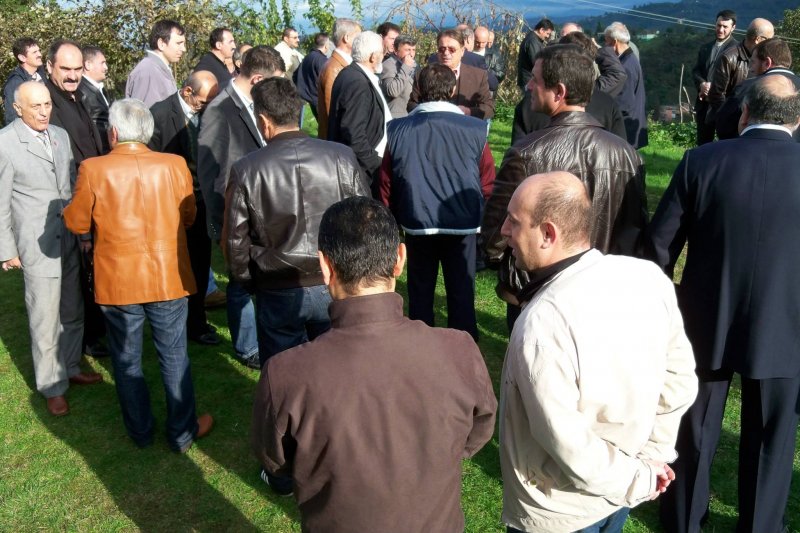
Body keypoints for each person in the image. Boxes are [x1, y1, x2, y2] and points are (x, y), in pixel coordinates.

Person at [251, 195, 497, 531]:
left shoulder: (284, 374)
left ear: (325, 267)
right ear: (400, 259)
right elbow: (478, 430)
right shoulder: (459, 350)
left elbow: (276, 461)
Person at [499, 171, 697, 532]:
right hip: (622, 492)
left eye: (513, 221)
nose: (503, 231)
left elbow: (566, 440)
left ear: (548, 234)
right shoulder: (647, 278)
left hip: (558, 511)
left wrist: (639, 477)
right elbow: (680, 380)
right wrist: (648, 462)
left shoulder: (542, 323)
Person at [649, 75, 800, 533]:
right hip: (786, 326)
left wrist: (667, 308)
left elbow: (659, 248)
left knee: (694, 429)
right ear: (796, 120)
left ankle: (683, 522)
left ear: (744, 113)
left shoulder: (702, 161)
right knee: (771, 439)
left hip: (704, 321)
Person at [224, 77, 368, 493]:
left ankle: (285, 470)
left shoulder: (249, 168)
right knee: (338, 375)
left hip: (281, 286)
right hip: (333, 281)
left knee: (284, 383)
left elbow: (234, 242)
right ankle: (337, 456)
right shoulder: (339, 156)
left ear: (263, 121)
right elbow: (364, 217)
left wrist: (247, 280)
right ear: (299, 113)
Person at [63, 98, 212, 452]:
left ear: (113, 133)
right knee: (173, 355)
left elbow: (77, 222)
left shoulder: (93, 169)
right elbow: (189, 215)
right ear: (146, 132)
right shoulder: (174, 164)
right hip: (168, 276)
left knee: (127, 358)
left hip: (119, 280)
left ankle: (141, 431)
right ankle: (182, 432)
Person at [482, 44, 647, 331]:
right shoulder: (627, 155)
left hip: (537, 289)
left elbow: (497, 227)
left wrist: (497, 259)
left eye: (535, 80)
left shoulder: (526, 153)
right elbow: (635, 231)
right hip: (603, 290)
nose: (528, 86)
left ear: (559, 92)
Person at [0, 81, 100, 417]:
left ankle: (70, 366)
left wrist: (82, 232)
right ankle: (52, 386)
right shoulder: (5, 143)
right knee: (44, 318)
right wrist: (7, 250)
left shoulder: (59, 135)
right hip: (36, 246)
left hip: (69, 238)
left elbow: (71, 186)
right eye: (36, 106)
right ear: (17, 109)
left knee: (72, 309)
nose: (44, 112)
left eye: (47, 105)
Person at [379, 63, 495, 340]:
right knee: (461, 290)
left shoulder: (398, 129)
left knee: (420, 291)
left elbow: (386, 182)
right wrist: (484, 215)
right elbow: (488, 179)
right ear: (453, 90)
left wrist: (391, 218)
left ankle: (423, 345)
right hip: (462, 222)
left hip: (417, 220)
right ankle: (463, 345)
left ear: (419, 88)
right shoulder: (475, 128)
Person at [197, 45, 285, 369]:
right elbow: (211, 176)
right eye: (273, 82)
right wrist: (225, 226)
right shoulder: (219, 111)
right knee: (240, 282)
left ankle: (264, 333)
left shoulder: (251, 104)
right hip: (236, 216)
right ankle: (247, 347)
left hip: (261, 213)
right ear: (258, 79)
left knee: (258, 278)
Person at [44, 40, 108, 358]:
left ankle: (93, 332)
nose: (72, 75)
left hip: (90, 198)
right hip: (67, 204)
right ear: (49, 67)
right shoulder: (47, 103)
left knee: (90, 271)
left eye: (77, 69)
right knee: (75, 279)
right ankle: (83, 340)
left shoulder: (79, 95)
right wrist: (80, 220)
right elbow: (61, 166)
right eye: (65, 69)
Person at [149, 71, 220, 346]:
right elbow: (152, 162)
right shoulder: (159, 114)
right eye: (203, 102)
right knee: (176, 267)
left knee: (201, 264)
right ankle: (176, 324)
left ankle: (197, 323)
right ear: (187, 91)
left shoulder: (209, 112)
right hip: (172, 206)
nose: (207, 106)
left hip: (201, 202)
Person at [512, 31, 626, 143]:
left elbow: (518, 150)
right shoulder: (608, 104)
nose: (529, 86)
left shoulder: (530, 104)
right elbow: (620, 148)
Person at [327, 31, 390, 192]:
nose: (383, 56)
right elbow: (353, 133)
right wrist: (376, 165)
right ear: (373, 57)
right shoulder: (357, 81)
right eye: (382, 52)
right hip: (362, 173)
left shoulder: (352, 73)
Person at [715, 38, 800, 140]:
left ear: (767, 63)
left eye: (753, 62)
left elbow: (724, 124)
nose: (750, 68)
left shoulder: (747, 87)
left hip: (747, 147)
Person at [408, 29, 494, 119]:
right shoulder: (422, 75)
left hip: (463, 125)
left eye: (452, 49)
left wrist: (468, 111)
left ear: (462, 51)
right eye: (442, 49)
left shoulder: (478, 76)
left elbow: (489, 108)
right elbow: (412, 105)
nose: (446, 53)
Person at [706, 18, 774, 125]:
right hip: (730, 124)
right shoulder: (728, 57)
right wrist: (734, 120)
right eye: (768, 40)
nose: (770, 44)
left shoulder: (764, 60)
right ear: (758, 39)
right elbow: (717, 96)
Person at [691, 10, 737, 145]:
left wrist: (715, 87)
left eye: (725, 27)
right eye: (718, 25)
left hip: (725, 105)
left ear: (733, 28)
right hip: (704, 105)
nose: (720, 30)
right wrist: (702, 84)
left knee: (725, 144)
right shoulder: (705, 48)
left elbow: (738, 78)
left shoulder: (737, 50)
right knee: (703, 143)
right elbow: (696, 71)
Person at [316, 18, 361, 139]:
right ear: (346, 38)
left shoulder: (340, 65)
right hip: (337, 142)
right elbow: (332, 112)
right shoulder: (334, 68)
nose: (360, 41)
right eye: (358, 36)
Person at [605, 22, 648, 148]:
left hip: (626, 127)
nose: (605, 46)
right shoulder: (630, 58)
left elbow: (625, 101)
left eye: (607, 42)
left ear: (615, 42)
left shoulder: (626, 66)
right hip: (631, 124)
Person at [125, 19, 186, 106]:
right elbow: (144, 112)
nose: (183, 49)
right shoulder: (148, 71)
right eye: (178, 43)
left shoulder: (157, 69)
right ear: (161, 43)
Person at [3, 37, 45, 125]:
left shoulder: (41, 73)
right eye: (34, 52)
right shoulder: (15, 83)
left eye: (39, 51)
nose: (40, 54)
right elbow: (12, 118)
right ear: (22, 58)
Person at [79, 45, 112, 153]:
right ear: (88, 65)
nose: (106, 67)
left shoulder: (101, 90)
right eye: (102, 63)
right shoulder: (81, 91)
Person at [379, 34, 416, 118]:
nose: (411, 54)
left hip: (412, 116)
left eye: (413, 50)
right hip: (396, 118)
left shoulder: (415, 65)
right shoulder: (388, 65)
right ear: (396, 50)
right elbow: (393, 91)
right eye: (407, 50)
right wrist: (406, 67)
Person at [295, 32, 330, 119]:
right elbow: (327, 81)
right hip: (319, 100)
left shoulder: (307, 57)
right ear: (326, 46)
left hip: (310, 98)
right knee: (326, 124)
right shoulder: (322, 60)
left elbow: (295, 75)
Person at [517, 18, 554, 89]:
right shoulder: (533, 42)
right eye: (547, 33)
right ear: (541, 30)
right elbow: (537, 62)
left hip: (528, 79)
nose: (548, 36)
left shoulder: (533, 39)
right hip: (529, 80)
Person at [474, 25, 506, 94]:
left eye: (483, 42)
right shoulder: (467, 51)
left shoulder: (495, 54)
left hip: (487, 90)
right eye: (478, 42)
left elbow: (501, 74)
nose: (480, 45)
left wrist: (487, 74)